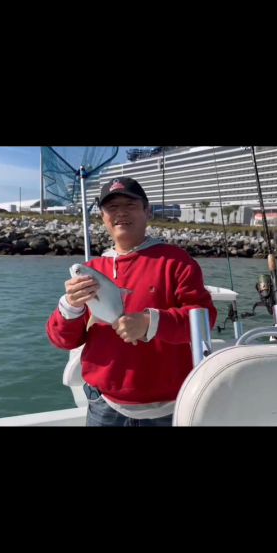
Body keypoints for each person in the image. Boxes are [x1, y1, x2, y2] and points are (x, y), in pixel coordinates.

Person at [46, 177, 217, 426]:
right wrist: (71, 306)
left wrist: (150, 322)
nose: (121, 212)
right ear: (103, 217)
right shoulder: (90, 270)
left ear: (147, 211)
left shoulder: (176, 261)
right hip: (103, 403)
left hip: (167, 407)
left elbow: (203, 318)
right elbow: (63, 340)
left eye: (130, 205)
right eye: (112, 207)